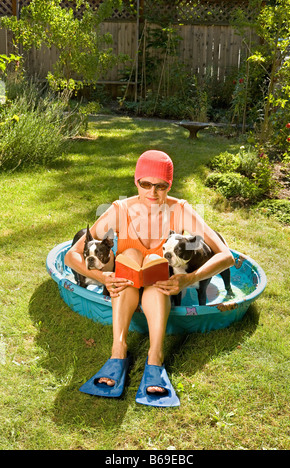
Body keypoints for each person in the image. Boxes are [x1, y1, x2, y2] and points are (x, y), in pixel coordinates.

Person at [65, 150, 234, 407]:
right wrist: (101, 276)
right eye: (146, 184)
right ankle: (118, 351)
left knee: (157, 274)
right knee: (130, 255)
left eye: (161, 186)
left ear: (169, 185)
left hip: (160, 286)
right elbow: (71, 255)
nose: (153, 193)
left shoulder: (181, 210)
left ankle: (155, 356)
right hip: (126, 284)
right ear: (136, 182)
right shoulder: (119, 210)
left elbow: (226, 256)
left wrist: (190, 279)